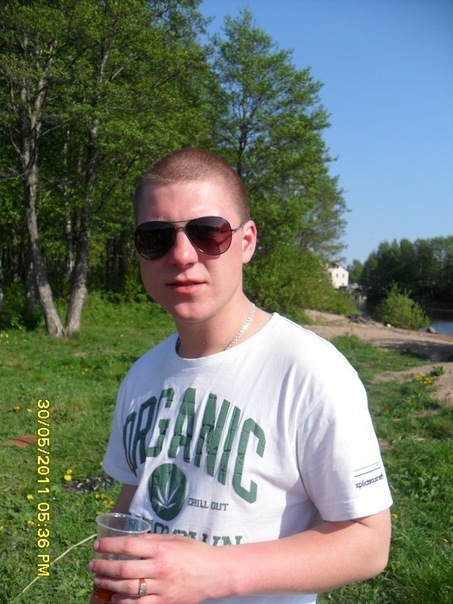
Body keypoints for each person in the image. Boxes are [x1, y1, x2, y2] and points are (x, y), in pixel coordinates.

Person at [88, 148, 392, 604]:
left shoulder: (310, 371)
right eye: (155, 238)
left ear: (246, 242)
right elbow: (136, 490)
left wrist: (216, 572)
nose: (182, 255)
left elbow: (368, 541)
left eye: (207, 233)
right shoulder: (142, 373)